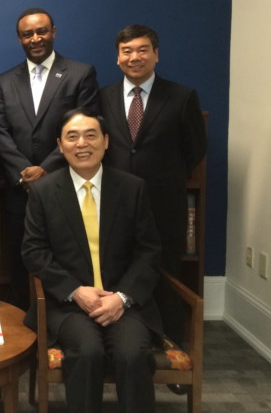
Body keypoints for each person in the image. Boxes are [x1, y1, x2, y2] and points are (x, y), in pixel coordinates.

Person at [22, 109, 162, 413]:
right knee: (87, 352)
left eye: (91, 135)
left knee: (132, 354)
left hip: (123, 302)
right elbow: (34, 251)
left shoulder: (131, 188)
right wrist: (75, 291)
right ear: (60, 145)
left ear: (106, 141)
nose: (81, 143)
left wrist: (121, 298)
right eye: (72, 137)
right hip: (68, 304)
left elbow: (148, 251)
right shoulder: (42, 192)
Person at [98, 24, 207, 345]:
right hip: (114, 204)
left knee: (165, 274)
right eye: (127, 51)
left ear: (156, 55)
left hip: (163, 205)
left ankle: (169, 342)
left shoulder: (181, 97)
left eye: (142, 50)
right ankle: (123, 340)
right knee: (118, 272)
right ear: (117, 58)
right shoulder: (102, 97)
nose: (135, 57)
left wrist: (163, 176)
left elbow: (195, 149)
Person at [0, 7, 98, 307]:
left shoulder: (80, 74)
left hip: (65, 185)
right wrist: (24, 172)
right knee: (18, 258)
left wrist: (45, 169)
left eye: (41, 31)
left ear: (53, 32)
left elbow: (84, 129)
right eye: (27, 34)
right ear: (19, 38)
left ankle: (61, 318)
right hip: (20, 189)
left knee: (64, 257)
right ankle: (21, 318)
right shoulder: (4, 81)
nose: (35, 39)